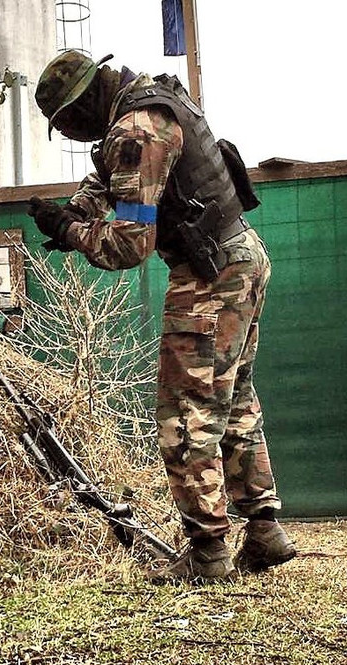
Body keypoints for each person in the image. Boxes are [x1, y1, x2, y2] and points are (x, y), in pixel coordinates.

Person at [28, 50, 296, 582]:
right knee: (233, 398)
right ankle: (264, 532)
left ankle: (209, 550)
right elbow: (112, 180)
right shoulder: (154, 97)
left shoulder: (134, 131)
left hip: (209, 277)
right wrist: (76, 211)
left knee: (186, 411)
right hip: (241, 257)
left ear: (79, 108)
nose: (76, 135)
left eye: (66, 125)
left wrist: (69, 232)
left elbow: (126, 248)